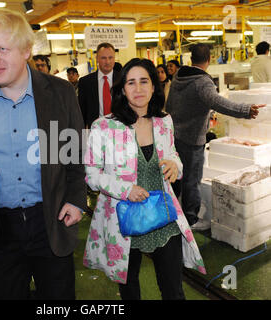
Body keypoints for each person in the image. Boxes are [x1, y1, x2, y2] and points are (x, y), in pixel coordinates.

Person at [0, 8, 86, 300]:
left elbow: (71, 154)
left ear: (26, 51)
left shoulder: (58, 94)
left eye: (3, 49)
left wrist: (75, 199)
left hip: (50, 222)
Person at [83, 58, 206, 300]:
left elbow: (174, 157)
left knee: (173, 289)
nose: (138, 89)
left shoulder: (164, 121)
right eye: (131, 82)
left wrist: (175, 166)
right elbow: (92, 174)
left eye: (144, 81)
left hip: (162, 215)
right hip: (124, 219)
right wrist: (125, 189)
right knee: (130, 290)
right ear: (122, 88)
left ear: (153, 86)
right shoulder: (104, 127)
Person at [166, 43, 264, 229]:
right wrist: (246, 109)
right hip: (192, 139)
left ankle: (173, 214)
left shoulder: (179, 76)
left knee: (176, 177)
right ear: (209, 59)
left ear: (191, 58)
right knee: (191, 181)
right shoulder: (202, 82)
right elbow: (218, 102)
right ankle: (190, 220)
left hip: (173, 135)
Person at [78, 42, 120, 128]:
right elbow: (82, 111)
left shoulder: (123, 80)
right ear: (97, 59)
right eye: (103, 58)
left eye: (110, 58)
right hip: (95, 129)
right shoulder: (85, 82)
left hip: (119, 128)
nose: (107, 62)